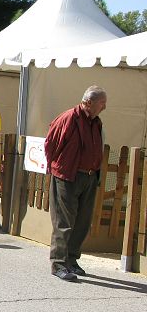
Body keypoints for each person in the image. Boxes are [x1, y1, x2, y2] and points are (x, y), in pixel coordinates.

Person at [45, 86, 107, 282]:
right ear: (88, 102)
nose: (104, 107)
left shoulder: (95, 122)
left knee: (82, 222)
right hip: (67, 176)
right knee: (64, 222)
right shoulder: (69, 117)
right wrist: (57, 169)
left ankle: (71, 259)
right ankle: (58, 264)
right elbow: (50, 145)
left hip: (88, 176)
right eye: (102, 103)